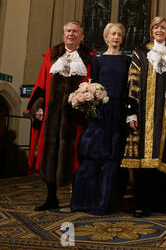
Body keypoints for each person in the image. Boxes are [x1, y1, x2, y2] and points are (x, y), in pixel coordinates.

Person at [26, 21, 95, 211]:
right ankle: (51, 198)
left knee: (76, 157)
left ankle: (77, 198)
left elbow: (93, 84)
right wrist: (38, 107)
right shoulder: (51, 56)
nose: (71, 34)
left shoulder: (89, 58)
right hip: (52, 117)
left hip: (76, 118)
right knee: (50, 155)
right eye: (68, 31)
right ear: (63, 34)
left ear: (82, 36)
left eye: (75, 31)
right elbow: (41, 82)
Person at [121, 16, 166, 218]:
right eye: (156, 27)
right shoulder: (140, 54)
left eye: (163, 28)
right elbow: (132, 82)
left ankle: (159, 202)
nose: (159, 30)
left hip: (165, 116)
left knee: (162, 158)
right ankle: (140, 204)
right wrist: (131, 112)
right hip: (143, 113)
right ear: (151, 30)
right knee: (143, 159)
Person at [70, 23, 130, 215]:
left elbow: (129, 89)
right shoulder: (97, 61)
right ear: (106, 37)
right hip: (99, 114)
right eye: (113, 34)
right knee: (94, 155)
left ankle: (108, 201)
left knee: (113, 157)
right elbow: (92, 83)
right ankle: (86, 200)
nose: (116, 37)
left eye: (119, 34)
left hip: (118, 114)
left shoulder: (127, 61)